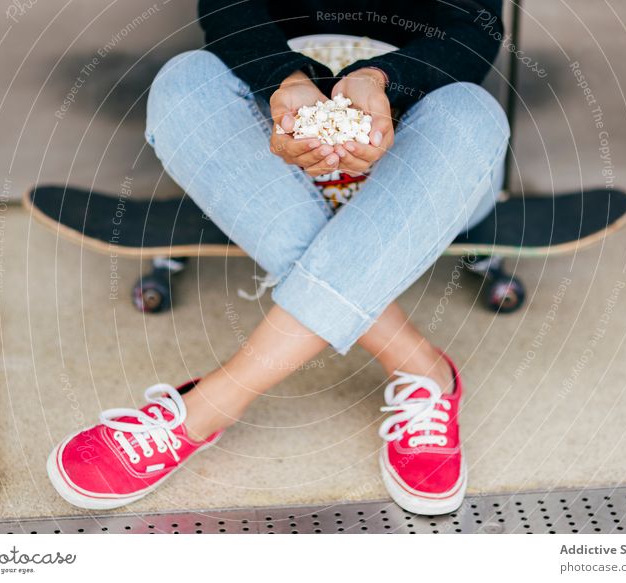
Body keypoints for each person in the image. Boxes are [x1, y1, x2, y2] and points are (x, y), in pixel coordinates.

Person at [46, 0, 509, 516]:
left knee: (473, 112)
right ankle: (420, 365)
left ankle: (209, 406)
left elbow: (474, 29)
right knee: (185, 82)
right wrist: (283, 82)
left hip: (420, 162)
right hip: (276, 167)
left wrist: (382, 81)